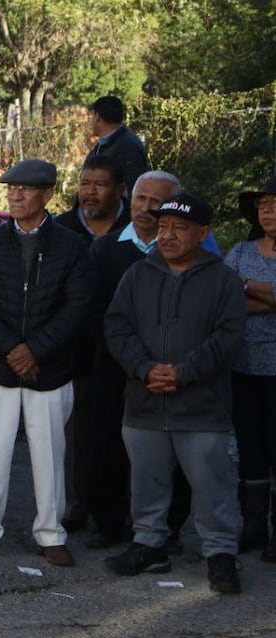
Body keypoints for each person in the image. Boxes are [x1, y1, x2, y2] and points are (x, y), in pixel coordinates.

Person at [104, 192, 246, 594]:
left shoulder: (223, 280)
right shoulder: (138, 274)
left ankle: (220, 554)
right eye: (163, 226)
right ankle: (150, 545)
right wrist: (144, 368)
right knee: (146, 483)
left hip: (202, 409)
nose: (167, 235)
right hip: (145, 403)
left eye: (179, 228)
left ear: (203, 233)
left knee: (213, 486)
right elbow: (116, 327)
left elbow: (228, 337)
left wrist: (183, 373)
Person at [0, 159, 93, 567]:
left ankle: (51, 533)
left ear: (48, 194)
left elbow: (78, 307)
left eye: (26, 188)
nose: (15, 195)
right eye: (11, 188)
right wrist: (12, 350)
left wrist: (35, 350)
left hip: (49, 369)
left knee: (50, 455)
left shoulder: (73, 246)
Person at [87, 171, 194, 551]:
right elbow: (95, 312)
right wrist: (133, 358)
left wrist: (162, 366)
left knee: (171, 451)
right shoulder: (105, 249)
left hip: (170, 371)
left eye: (156, 202)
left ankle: (169, 527)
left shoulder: (189, 254)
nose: (146, 208)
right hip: (115, 367)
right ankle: (109, 523)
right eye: (140, 199)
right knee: (108, 446)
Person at [51, 155, 130, 533]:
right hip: (77, 349)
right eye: (85, 183)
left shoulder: (138, 228)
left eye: (100, 184)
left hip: (130, 351)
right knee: (79, 433)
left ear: (120, 189)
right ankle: (78, 505)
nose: (91, 192)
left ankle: (127, 511)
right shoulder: (61, 229)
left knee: (126, 432)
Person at [226, 175, 276, 561]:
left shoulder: (242, 264)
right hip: (243, 369)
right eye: (262, 205)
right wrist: (268, 296)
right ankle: (254, 526)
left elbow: (238, 291)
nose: (267, 210)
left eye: (275, 204)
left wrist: (248, 286)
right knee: (249, 448)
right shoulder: (241, 250)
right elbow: (226, 299)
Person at [87, 95, 150, 195]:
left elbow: (133, 188)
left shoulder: (128, 146)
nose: (90, 121)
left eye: (91, 116)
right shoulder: (103, 145)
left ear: (97, 117)